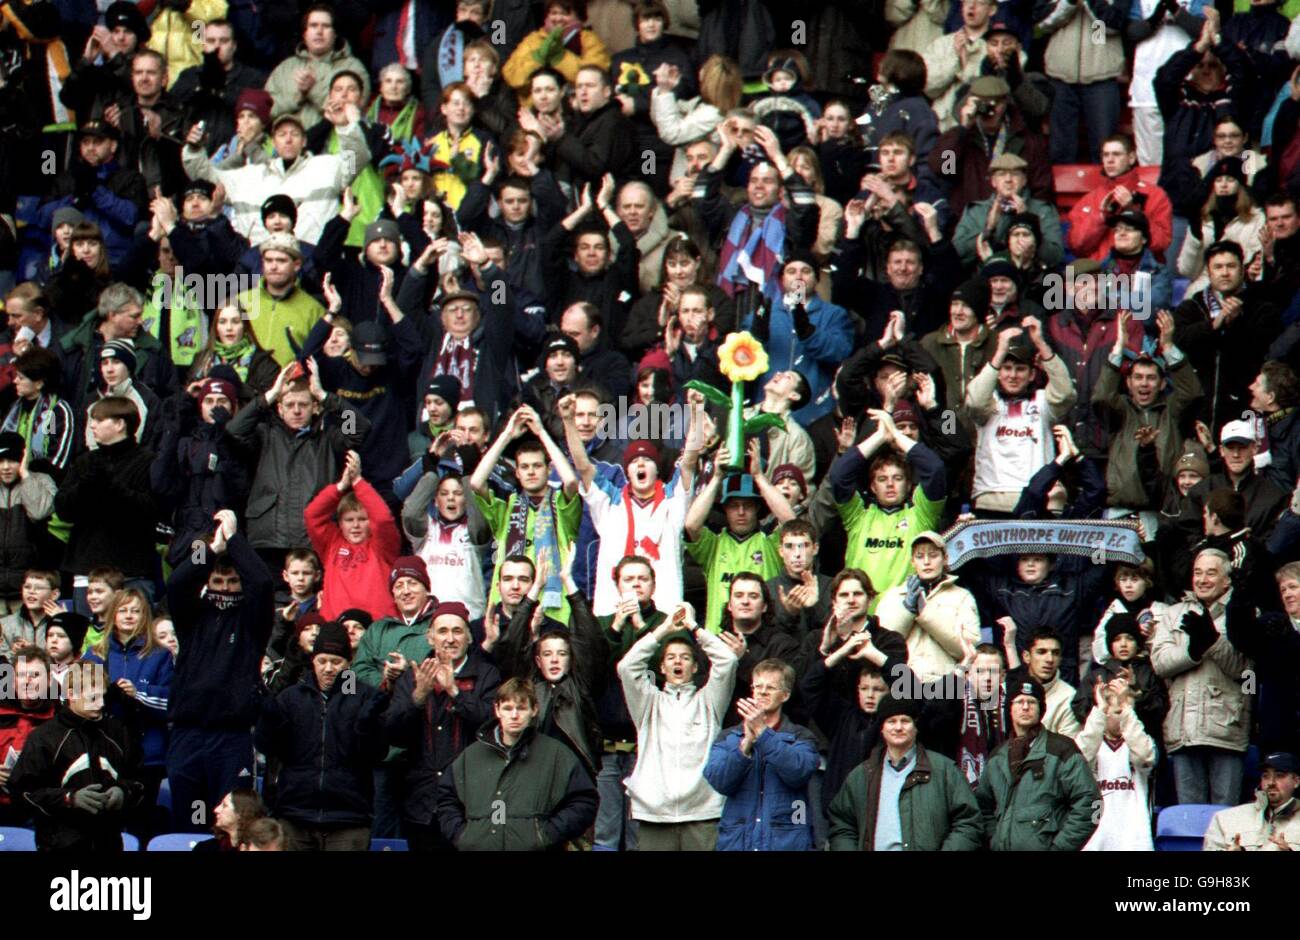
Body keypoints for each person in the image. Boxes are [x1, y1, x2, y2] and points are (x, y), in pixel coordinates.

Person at [165, 510, 275, 832]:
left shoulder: (252, 622)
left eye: (232, 581)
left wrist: (234, 538)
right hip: (187, 734)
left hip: (231, 738)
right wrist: (212, 549)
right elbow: (177, 582)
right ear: (207, 582)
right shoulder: (192, 617)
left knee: (231, 825)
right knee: (191, 822)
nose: (226, 588)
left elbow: (263, 582)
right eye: (218, 581)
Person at [256, 620, 389, 851]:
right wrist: (268, 721)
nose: (328, 668)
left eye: (336, 662)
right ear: (313, 661)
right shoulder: (291, 698)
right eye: (322, 661)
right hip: (295, 815)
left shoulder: (364, 697)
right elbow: (270, 748)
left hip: (348, 818)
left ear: (349, 663)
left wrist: (368, 727)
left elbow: (377, 754)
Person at [382, 601, 502, 852]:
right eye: (442, 631)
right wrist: (417, 698)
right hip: (421, 803)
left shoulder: (487, 674)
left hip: (470, 803)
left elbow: (494, 725)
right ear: (429, 638)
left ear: (470, 637)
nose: (450, 639)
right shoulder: (413, 677)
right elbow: (392, 733)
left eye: (457, 631)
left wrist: (455, 692)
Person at [618, 603, 738, 850]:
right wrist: (664, 629)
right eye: (671, 658)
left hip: (702, 812)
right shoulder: (649, 702)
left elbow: (727, 660)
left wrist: (694, 628)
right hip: (655, 813)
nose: (678, 662)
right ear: (661, 668)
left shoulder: (709, 701)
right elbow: (627, 668)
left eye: (685, 658)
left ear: (695, 667)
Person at [436, 676, 599, 850]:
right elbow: (446, 799)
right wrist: (463, 836)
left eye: (521, 708)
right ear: (497, 710)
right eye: (507, 708)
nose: (514, 715)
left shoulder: (557, 755)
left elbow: (584, 801)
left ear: (534, 710)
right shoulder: (470, 757)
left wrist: (547, 835)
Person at [9, 660, 145, 851]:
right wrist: (69, 799)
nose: (100, 704)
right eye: (93, 698)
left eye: (103, 697)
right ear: (71, 694)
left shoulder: (118, 733)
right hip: (59, 846)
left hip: (109, 844)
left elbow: (141, 780)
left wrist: (124, 792)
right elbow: (22, 792)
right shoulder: (44, 737)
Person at [1152, 547, 1252, 805]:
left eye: (1211, 573)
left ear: (1226, 580)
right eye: (1198, 573)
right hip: (1182, 728)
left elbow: (1247, 670)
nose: (1202, 580)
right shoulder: (1173, 613)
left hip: (1227, 729)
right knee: (1190, 819)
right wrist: (1192, 651)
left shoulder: (1244, 611)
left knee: (1225, 817)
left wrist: (1213, 643)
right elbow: (1160, 663)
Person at [827, 691, 984, 851]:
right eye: (891, 721)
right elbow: (841, 826)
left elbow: (968, 822)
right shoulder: (862, 775)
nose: (898, 727)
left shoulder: (944, 771)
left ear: (915, 727)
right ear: (882, 728)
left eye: (905, 721)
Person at [828, 408, 946, 605]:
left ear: (909, 485)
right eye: (882, 479)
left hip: (904, 618)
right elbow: (839, 476)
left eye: (897, 478)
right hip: (860, 616)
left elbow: (934, 469)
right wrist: (880, 436)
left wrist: (896, 433)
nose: (890, 484)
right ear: (873, 487)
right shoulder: (858, 516)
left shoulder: (921, 514)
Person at [703, 658, 819, 851]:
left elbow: (798, 773)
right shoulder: (729, 736)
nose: (762, 691)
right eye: (758, 686)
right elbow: (719, 781)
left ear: (785, 695)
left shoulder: (801, 736)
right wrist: (746, 744)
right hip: (738, 842)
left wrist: (763, 733)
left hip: (785, 843)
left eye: (771, 687)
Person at [974, 675, 1100, 850]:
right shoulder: (997, 757)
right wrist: (995, 840)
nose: (1025, 707)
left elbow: (1091, 803)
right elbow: (982, 807)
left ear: (1041, 709)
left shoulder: (1062, 749)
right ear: (1009, 708)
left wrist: (1060, 848)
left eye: (1032, 702)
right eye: (1019, 702)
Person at [305, 450, 400, 621]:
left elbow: (383, 519)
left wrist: (358, 481)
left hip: (376, 628)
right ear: (340, 523)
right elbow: (312, 515)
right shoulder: (332, 542)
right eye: (349, 520)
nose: (355, 525)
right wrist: (341, 486)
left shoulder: (382, 545)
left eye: (362, 519)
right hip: (337, 627)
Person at [876, 532, 979, 682]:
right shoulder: (894, 595)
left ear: (945, 558)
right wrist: (907, 611)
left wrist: (925, 614)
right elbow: (881, 644)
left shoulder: (962, 597)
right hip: (901, 682)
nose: (926, 561)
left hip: (945, 684)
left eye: (933, 555)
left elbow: (968, 649)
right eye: (919, 556)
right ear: (912, 561)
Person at [1077, 681, 1157, 851]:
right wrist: (1098, 711)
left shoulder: (1139, 742)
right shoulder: (1091, 742)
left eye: (1128, 711)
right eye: (1119, 712)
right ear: (1105, 713)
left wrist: (1128, 713)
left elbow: (1146, 757)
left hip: (1133, 836)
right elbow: (1078, 762)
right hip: (1095, 836)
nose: (1125, 716)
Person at [0, 648, 55, 825]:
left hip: (39, 814)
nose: (28, 681)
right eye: (22, 675)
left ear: (48, 680)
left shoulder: (61, 720)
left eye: (35, 675)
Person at [1203, 751, 1300, 850]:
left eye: (1279, 776)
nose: (1271, 782)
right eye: (1266, 776)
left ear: (1296, 781)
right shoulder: (1225, 818)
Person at [196, 787, 268, 852]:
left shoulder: (262, 848)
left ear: (241, 813)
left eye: (224, 805)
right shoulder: (205, 848)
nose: (216, 810)